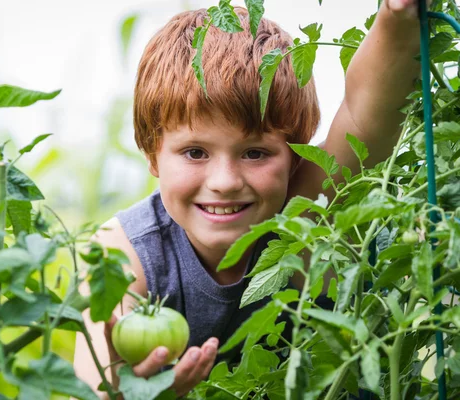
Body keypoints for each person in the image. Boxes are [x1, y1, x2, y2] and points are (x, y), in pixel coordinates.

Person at [74, 0, 424, 397]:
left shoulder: (304, 211)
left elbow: (365, 117)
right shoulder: (126, 253)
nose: (224, 182)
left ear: (295, 157)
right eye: (195, 152)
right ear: (152, 154)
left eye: (255, 153)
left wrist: (396, 17)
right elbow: (92, 384)